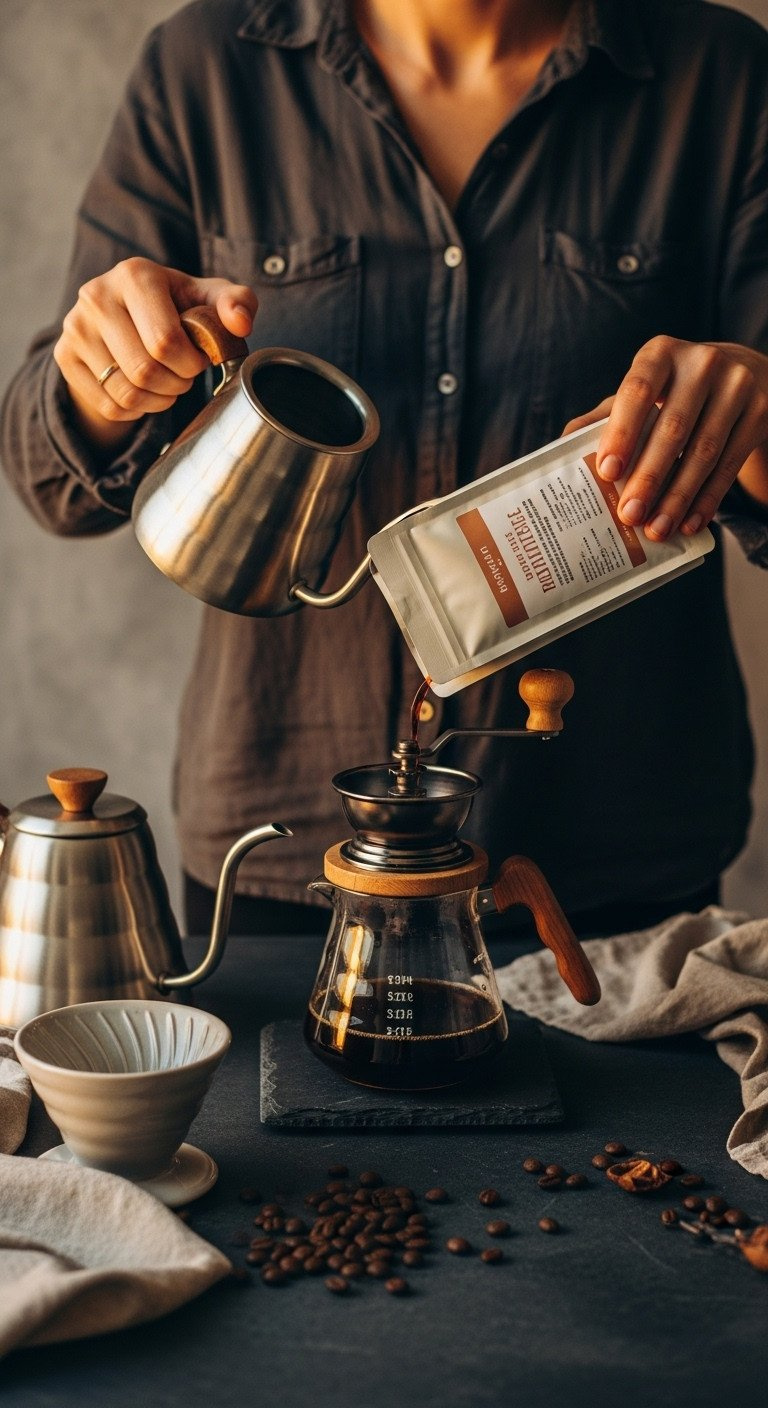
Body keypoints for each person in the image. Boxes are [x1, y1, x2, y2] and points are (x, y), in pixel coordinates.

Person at [3, 0, 768, 939]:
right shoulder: (203, 70)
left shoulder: (723, 75)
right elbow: (49, 483)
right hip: (281, 853)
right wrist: (100, 377)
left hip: (617, 861)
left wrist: (754, 407)